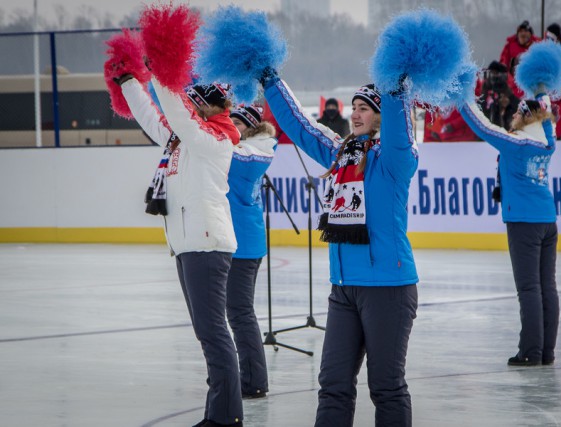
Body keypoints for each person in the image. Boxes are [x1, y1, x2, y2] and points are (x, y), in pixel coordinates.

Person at [260, 71, 419, 426]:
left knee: (386, 386)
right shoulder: (342, 153)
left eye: (366, 108)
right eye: (355, 107)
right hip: (343, 289)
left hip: (388, 289)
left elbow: (401, 129)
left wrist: (395, 88)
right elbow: (301, 126)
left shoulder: (395, 159)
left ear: (381, 115)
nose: (356, 114)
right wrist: (269, 80)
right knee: (333, 384)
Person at [117, 73, 244, 427]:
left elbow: (175, 113)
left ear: (211, 105)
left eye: (195, 101)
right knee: (208, 333)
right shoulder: (182, 139)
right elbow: (153, 117)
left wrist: (160, 71)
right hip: (189, 244)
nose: (189, 105)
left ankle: (227, 416)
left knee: (213, 332)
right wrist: (129, 81)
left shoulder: (213, 138)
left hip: (205, 244)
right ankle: (219, 411)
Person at [459, 95, 559, 367]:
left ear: (526, 116)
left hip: (524, 224)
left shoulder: (517, 144)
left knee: (529, 288)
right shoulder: (547, 143)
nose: (513, 114)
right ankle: (546, 351)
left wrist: (462, 100)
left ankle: (531, 351)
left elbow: (484, 128)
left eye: (518, 111)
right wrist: (542, 99)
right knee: (546, 287)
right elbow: (548, 124)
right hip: (547, 220)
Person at [227, 104, 276, 399]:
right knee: (238, 312)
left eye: (236, 123)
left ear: (249, 127)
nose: (230, 127)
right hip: (241, 241)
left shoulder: (248, 154)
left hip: (243, 244)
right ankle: (250, 377)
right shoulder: (245, 149)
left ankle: (254, 380)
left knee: (240, 312)